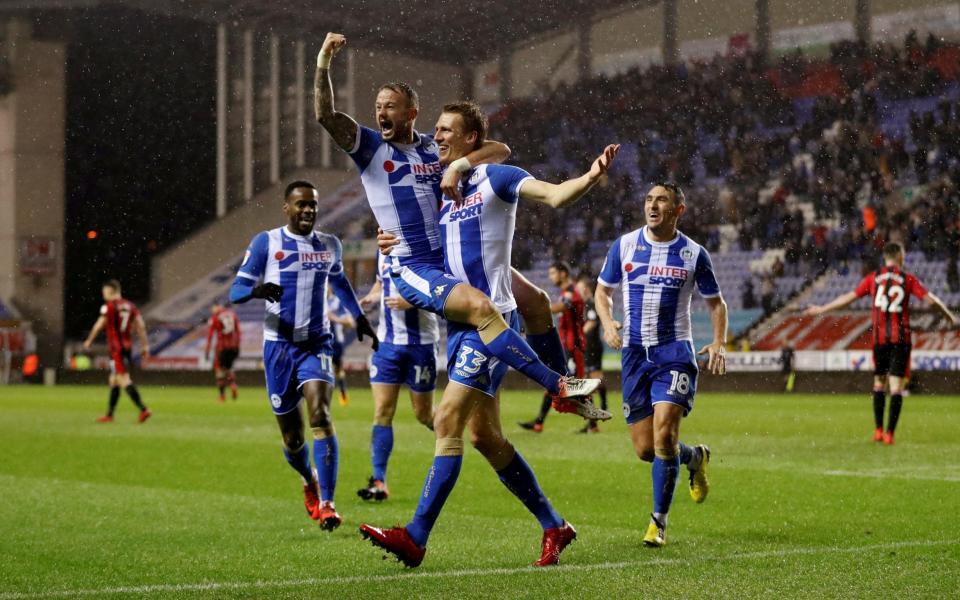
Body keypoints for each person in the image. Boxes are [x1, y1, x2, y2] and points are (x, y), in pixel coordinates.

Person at [359, 102, 619, 568]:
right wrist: (388, 238)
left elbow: (555, 195)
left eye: (446, 131)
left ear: (469, 139)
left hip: (492, 322)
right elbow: (416, 232)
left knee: (446, 421)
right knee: (486, 439)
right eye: (435, 129)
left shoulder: (497, 178)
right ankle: (554, 526)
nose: (435, 136)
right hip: (459, 328)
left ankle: (415, 537)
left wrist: (590, 176)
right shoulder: (441, 189)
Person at [314, 32, 601, 413]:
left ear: (411, 113)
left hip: (452, 253)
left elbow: (500, 150)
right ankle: (558, 386)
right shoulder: (371, 148)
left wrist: (462, 164)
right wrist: (323, 63)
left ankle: (562, 391)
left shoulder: (436, 147)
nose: (381, 113)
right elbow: (326, 116)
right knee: (484, 311)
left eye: (391, 106)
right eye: (378, 106)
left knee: (536, 300)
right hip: (417, 263)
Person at [228, 180, 378, 531]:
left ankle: (327, 503)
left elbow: (340, 284)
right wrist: (257, 289)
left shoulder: (329, 246)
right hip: (279, 348)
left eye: (313, 204)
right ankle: (308, 479)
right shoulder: (267, 242)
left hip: (317, 343)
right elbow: (236, 290)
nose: (309, 210)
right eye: (301, 204)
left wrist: (359, 319)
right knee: (293, 439)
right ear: (287, 208)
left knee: (321, 415)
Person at [595, 183, 727, 548]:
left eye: (661, 200)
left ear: (678, 210)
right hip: (635, 355)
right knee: (646, 449)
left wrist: (719, 341)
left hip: (674, 354)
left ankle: (658, 523)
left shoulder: (693, 253)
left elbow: (716, 303)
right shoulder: (623, 245)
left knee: (665, 433)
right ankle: (695, 457)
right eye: (649, 199)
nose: (653, 205)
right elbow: (602, 291)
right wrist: (607, 322)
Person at [804, 242, 957, 444]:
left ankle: (877, 430)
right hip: (900, 339)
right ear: (900, 256)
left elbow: (848, 297)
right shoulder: (907, 279)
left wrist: (822, 309)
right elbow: (931, 300)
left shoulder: (873, 278)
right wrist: (948, 315)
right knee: (896, 387)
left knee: (878, 383)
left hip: (879, 339)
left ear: (885, 257)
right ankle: (889, 434)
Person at [356, 251, 439, 502]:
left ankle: (454, 439)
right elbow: (382, 282)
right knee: (382, 410)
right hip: (387, 345)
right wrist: (372, 296)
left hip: (421, 344)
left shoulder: (426, 245)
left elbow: (443, 288)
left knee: (423, 414)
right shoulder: (383, 250)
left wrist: (412, 301)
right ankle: (379, 480)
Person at [519, 262, 586, 432]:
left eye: (553, 273)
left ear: (563, 273)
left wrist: (537, 309)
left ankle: (592, 421)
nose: (551, 277)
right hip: (567, 345)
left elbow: (562, 306)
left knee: (572, 383)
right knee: (560, 381)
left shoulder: (571, 292)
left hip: (574, 346)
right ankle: (539, 422)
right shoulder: (566, 292)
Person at [83, 279, 152, 424]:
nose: (103, 295)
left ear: (110, 291)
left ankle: (143, 409)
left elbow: (99, 325)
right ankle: (109, 415)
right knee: (113, 380)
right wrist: (145, 346)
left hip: (116, 348)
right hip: (127, 346)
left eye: (104, 292)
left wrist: (89, 340)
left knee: (123, 379)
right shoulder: (131, 306)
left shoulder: (109, 307)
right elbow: (140, 326)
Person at [576, 275, 608, 433]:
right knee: (590, 380)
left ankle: (595, 418)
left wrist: (577, 336)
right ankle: (593, 422)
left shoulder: (591, 303)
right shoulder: (586, 304)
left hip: (592, 347)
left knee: (590, 381)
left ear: (586, 289)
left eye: (579, 287)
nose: (577, 290)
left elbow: (592, 322)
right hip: (590, 347)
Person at [204, 301, 241, 402]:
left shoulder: (215, 318)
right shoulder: (233, 315)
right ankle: (232, 384)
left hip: (222, 348)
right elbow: (238, 331)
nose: (212, 310)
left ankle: (222, 396)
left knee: (220, 371)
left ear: (217, 307)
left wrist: (207, 350)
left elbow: (210, 336)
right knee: (228, 368)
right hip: (233, 347)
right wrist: (237, 346)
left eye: (213, 307)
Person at [325, 287, 355, 406]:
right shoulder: (318, 300)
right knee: (323, 369)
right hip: (321, 342)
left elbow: (350, 323)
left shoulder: (337, 302)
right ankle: (324, 396)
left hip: (336, 342)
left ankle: (342, 393)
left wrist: (334, 318)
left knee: (338, 370)